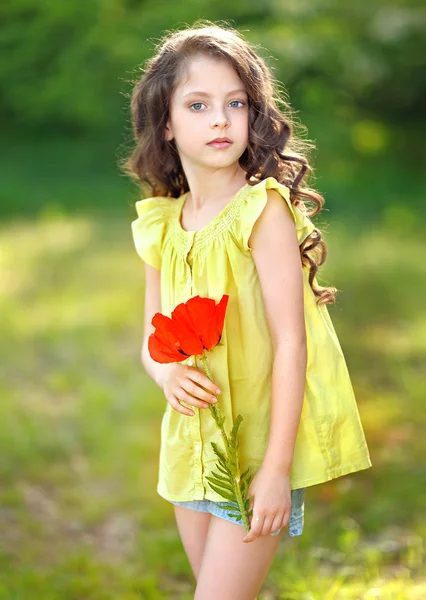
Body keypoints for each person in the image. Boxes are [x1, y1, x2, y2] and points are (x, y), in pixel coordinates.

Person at [122, 20, 372, 600]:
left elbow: (292, 342)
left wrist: (277, 470)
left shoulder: (262, 211)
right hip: (191, 448)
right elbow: (151, 337)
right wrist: (165, 372)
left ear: (253, 115)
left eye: (235, 103)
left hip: (257, 449)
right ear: (166, 123)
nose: (219, 119)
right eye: (199, 104)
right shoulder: (163, 222)